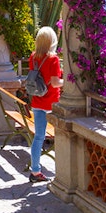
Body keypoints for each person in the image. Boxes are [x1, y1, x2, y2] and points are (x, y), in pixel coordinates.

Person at [28, 26, 63, 183]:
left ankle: (35, 171)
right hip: (52, 103)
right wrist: (67, 82)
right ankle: (63, 174)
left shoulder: (33, 57)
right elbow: (55, 83)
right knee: (61, 137)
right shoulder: (53, 59)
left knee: (38, 137)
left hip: (37, 100)